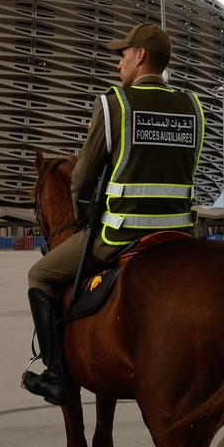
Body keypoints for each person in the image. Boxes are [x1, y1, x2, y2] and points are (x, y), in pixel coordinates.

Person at [21, 23, 204, 405]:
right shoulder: (193, 106)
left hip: (120, 234)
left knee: (38, 274)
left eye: (123, 55)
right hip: (181, 236)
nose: (119, 63)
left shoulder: (114, 103)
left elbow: (82, 180)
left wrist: (85, 214)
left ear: (140, 56)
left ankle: (55, 374)